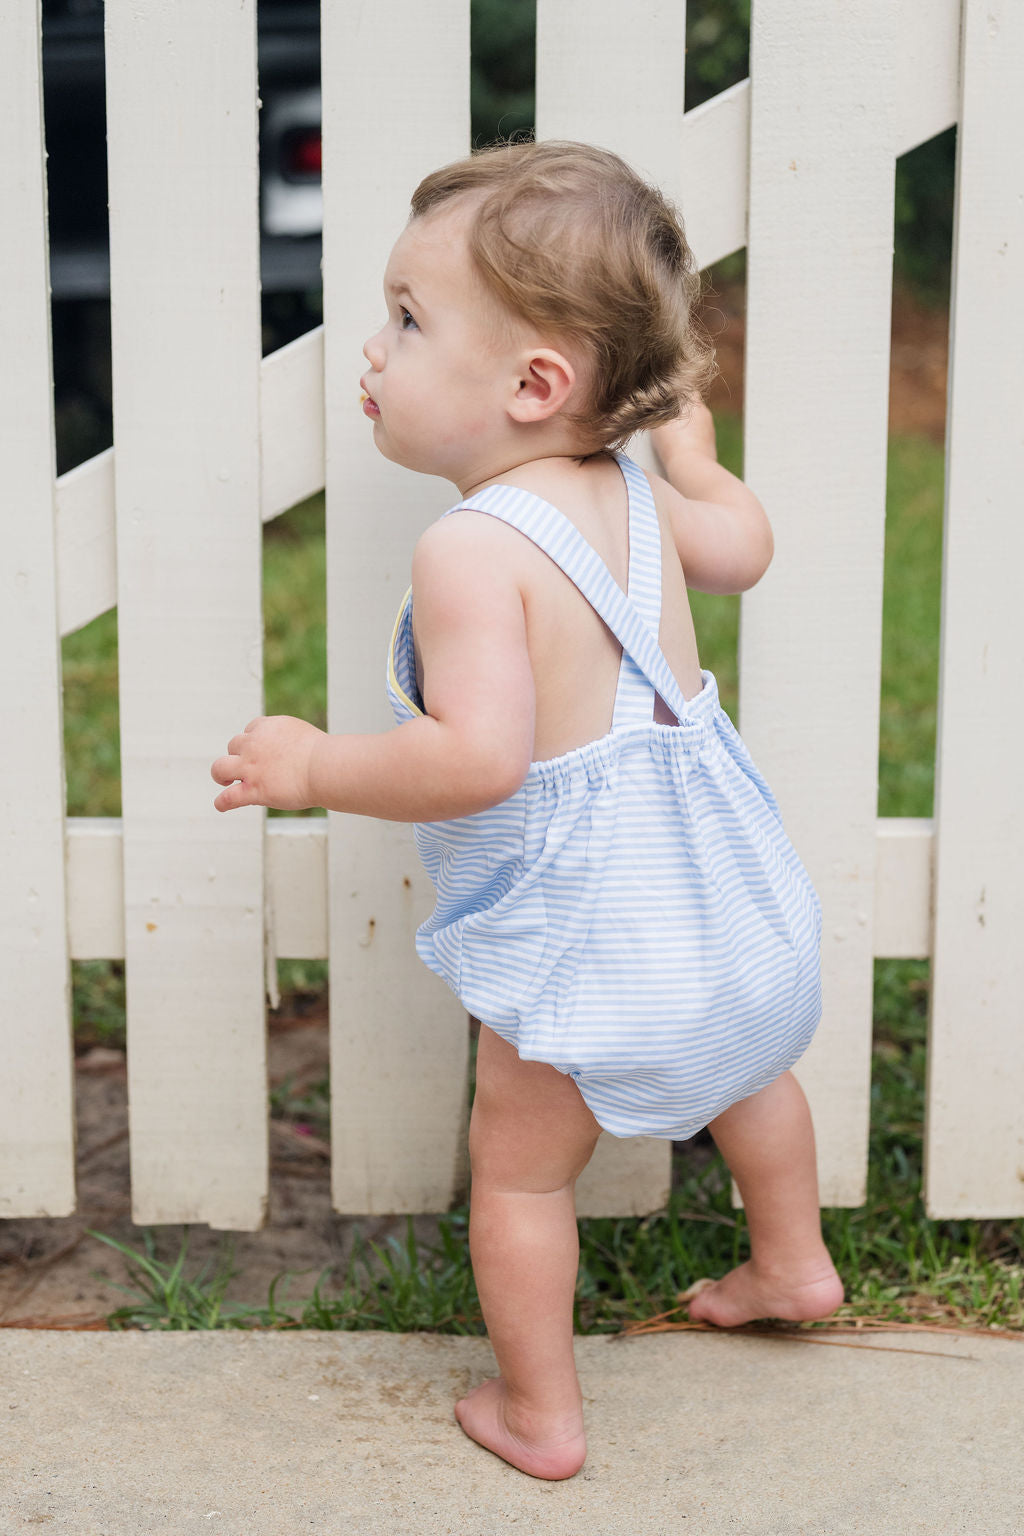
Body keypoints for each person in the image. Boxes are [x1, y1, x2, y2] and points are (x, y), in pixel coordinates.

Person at [211, 140, 843, 1481]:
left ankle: (540, 1415)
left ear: (535, 384)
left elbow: (477, 760)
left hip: (591, 923)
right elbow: (749, 544)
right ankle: (792, 1264)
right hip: (713, 889)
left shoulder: (471, 548)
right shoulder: (641, 495)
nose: (370, 348)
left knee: (519, 1170)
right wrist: (700, 460)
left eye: (406, 318)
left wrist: (315, 766)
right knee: (748, 1071)